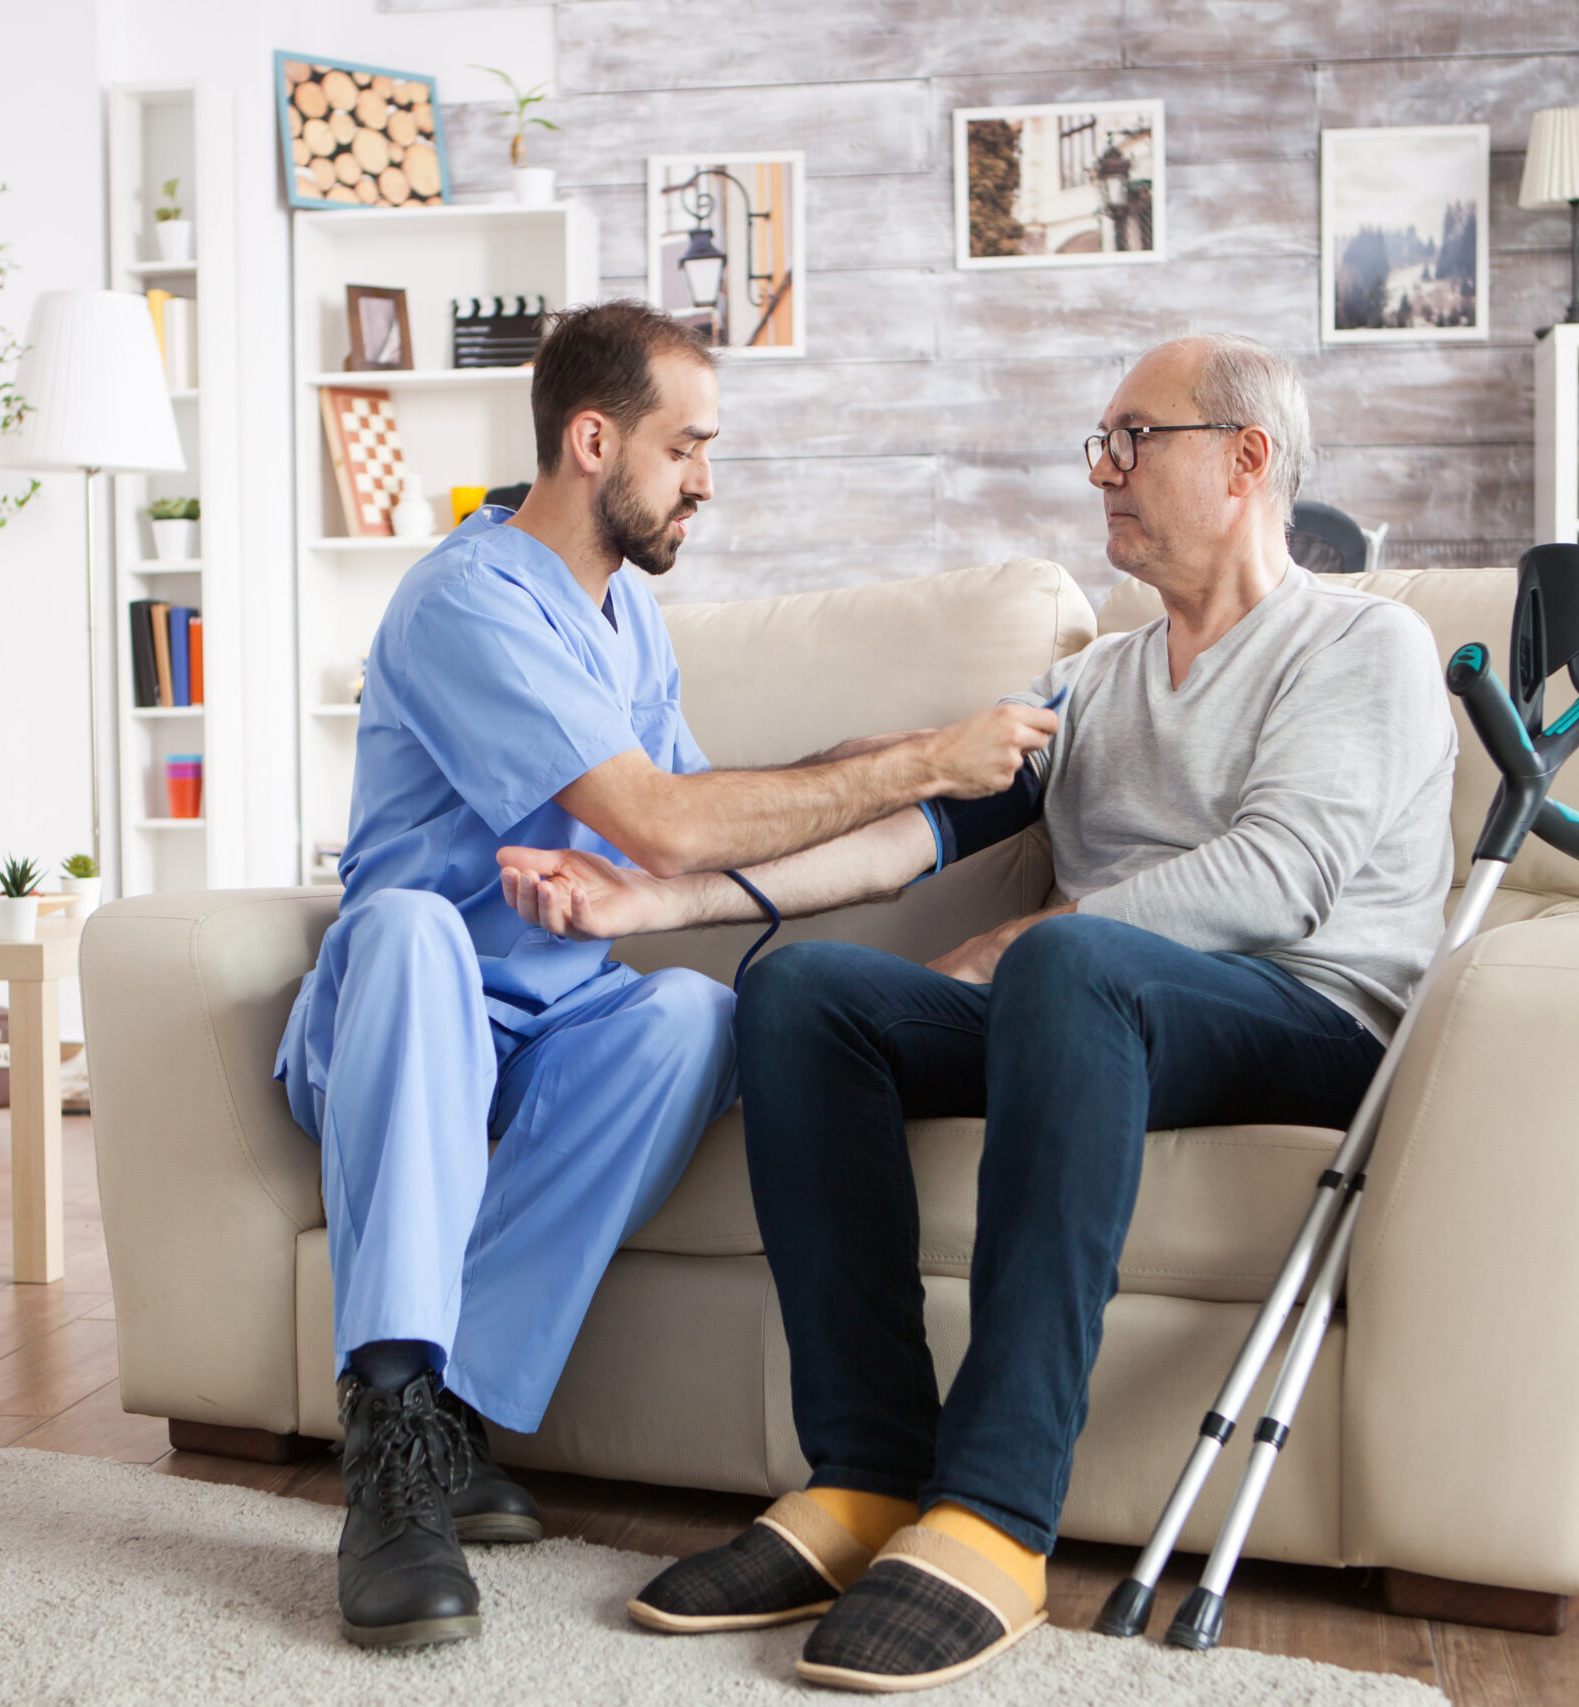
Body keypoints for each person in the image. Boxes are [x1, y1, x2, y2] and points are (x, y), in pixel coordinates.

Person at [499, 334, 1459, 1692]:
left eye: (1137, 439)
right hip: (1100, 1013)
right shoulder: (1098, 684)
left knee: (1066, 966)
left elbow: (1283, 877)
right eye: (1100, 443)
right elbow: (904, 837)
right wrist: (644, 904)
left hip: (1304, 1018)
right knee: (807, 992)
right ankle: (870, 1477)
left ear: (1248, 458)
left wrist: (1035, 938)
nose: (1103, 472)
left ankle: (1002, 1514)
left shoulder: (1363, 641)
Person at [271, 299, 1058, 1652]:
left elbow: (714, 798)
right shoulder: (466, 599)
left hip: (557, 1019)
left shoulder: (624, 614)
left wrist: (921, 745)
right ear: (593, 440)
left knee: (696, 1011)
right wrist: (924, 766)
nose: (706, 476)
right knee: (412, 926)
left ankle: (449, 1422)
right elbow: (666, 827)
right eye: (687, 444)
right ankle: (391, 1442)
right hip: (405, 1025)